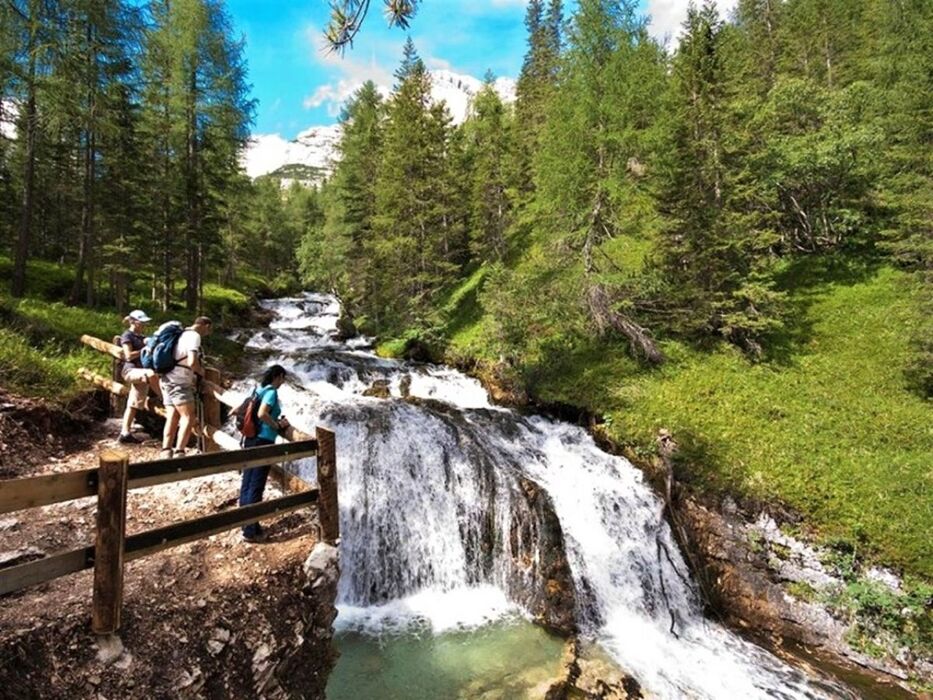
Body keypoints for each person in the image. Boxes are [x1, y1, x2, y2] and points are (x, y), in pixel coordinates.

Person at [239, 364, 291, 541]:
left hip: (251, 439)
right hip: (263, 441)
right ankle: (251, 531)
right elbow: (262, 414)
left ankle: (245, 523)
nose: (283, 382)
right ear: (277, 377)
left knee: (247, 481)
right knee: (257, 484)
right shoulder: (271, 392)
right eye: (283, 378)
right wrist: (277, 425)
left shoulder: (259, 390)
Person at [159, 316, 213, 459]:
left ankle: (166, 450)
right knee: (188, 417)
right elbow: (192, 362)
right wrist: (202, 371)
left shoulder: (181, 333)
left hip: (166, 378)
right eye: (209, 329)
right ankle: (180, 452)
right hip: (179, 381)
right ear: (206, 326)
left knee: (172, 415)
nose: (208, 333)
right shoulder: (194, 336)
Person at [117, 310, 160, 444]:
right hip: (131, 371)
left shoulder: (142, 337)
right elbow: (128, 356)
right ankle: (164, 397)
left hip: (141, 373)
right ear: (133, 321)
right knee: (151, 374)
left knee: (134, 403)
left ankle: (124, 433)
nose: (143, 325)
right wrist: (144, 349)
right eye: (141, 322)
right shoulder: (127, 336)